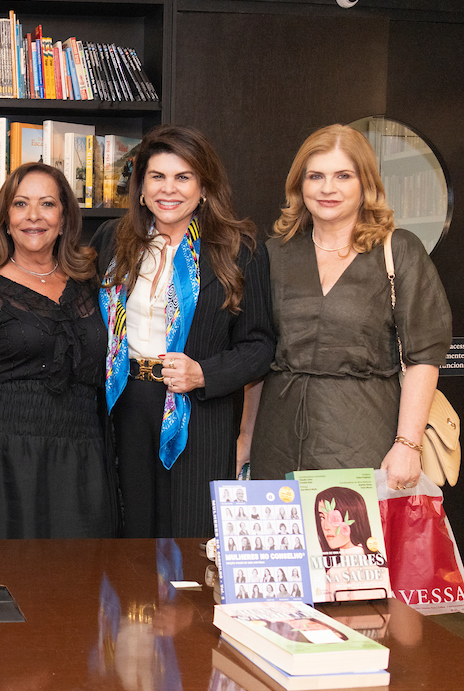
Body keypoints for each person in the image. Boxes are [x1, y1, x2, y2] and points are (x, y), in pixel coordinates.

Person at [245, 125, 451, 489]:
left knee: (352, 542)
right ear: (299, 184)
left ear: (366, 184)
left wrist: (408, 445)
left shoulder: (398, 250)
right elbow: (258, 355)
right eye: (316, 176)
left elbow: (424, 357)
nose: (328, 188)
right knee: (285, 546)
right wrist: (245, 442)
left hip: (362, 437)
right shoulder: (275, 254)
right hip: (276, 440)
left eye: (343, 175)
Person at [93, 124, 275, 539]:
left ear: (204, 187)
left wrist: (204, 374)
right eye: (157, 177)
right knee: (128, 535)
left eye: (183, 177)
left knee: (189, 539)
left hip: (198, 411)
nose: (168, 189)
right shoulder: (113, 241)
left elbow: (260, 345)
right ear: (141, 188)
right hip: (122, 404)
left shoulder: (239, 250)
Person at [0, 162, 117, 539]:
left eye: (47, 204)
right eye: (20, 204)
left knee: (78, 585)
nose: (34, 216)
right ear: (5, 218)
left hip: (80, 460)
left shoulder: (91, 288)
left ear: (65, 219)